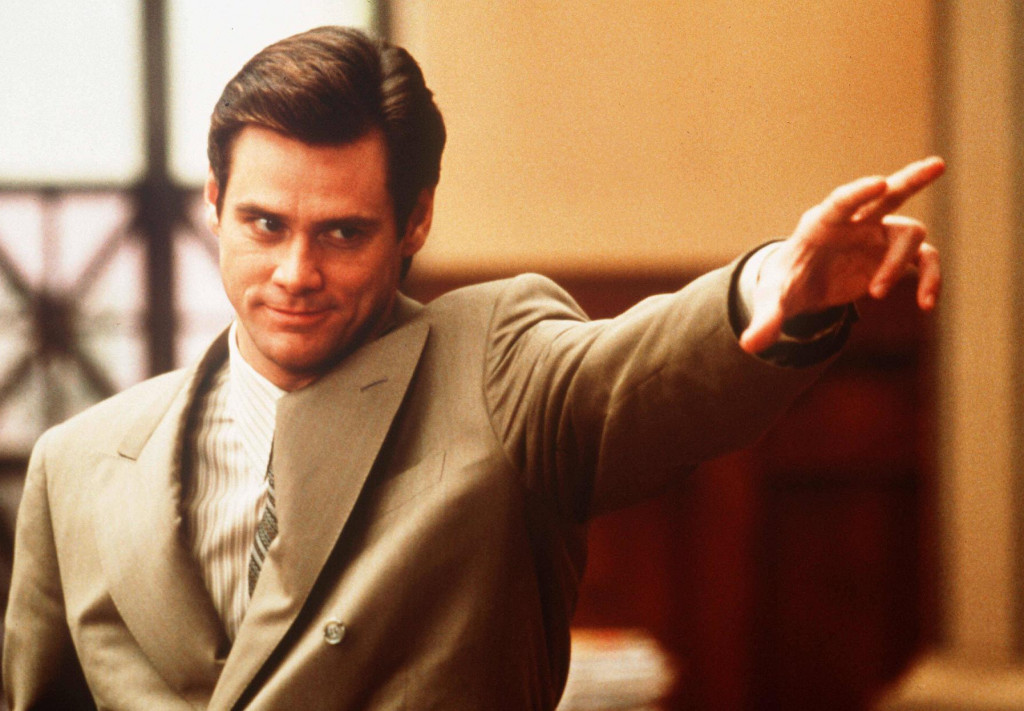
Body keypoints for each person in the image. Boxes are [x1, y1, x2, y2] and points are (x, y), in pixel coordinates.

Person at [2, 26, 944, 711]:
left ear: (414, 221)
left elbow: (632, 374)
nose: (295, 272)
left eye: (343, 232)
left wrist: (774, 286)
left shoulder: (493, 364)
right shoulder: (76, 466)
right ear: (214, 203)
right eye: (264, 224)